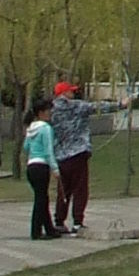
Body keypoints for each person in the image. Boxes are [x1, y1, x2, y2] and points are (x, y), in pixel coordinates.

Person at [50, 82, 92, 233]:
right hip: (78, 152)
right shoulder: (76, 106)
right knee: (80, 189)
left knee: (63, 189)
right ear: (64, 93)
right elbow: (96, 107)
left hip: (60, 155)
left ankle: (59, 221)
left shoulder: (51, 109)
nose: (73, 94)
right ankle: (77, 222)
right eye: (70, 91)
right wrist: (122, 103)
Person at [23, 99, 61, 241]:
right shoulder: (45, 128)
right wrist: (55, 168)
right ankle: (36, 230)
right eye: (48, 111)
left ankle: (49, 229)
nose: (50, 113)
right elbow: (48, 151)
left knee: (42, 197)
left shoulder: (31, 128)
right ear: (41, 113)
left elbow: (26, 147)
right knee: (40, 199)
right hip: (41, 165)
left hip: (31, 165)